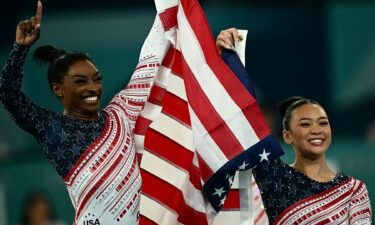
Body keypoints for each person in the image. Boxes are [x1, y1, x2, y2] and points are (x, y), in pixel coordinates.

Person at [0, 1, 168, 224]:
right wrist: (20, 48)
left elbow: (151, 59)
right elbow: (9, 95)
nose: (93, 88)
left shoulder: (121, 111)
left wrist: (171, 8)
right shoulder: (53, 130)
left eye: (97, 79)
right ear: (57, 89)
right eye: (80, 81)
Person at [216, 28, 372, 224]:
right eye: (305, 124)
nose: (316, 130)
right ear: (287, 136)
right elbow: (248, 120)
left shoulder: (354, 189)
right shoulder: (277, 181)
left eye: (323, 123)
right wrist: (231, 58)